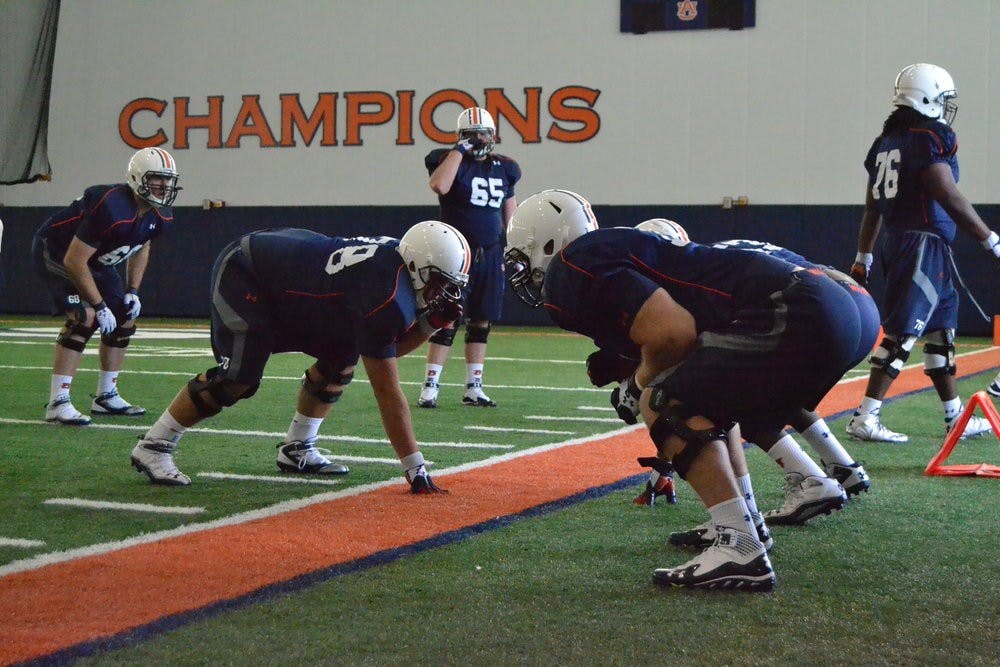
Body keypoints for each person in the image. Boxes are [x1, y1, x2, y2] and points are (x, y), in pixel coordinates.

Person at [505, 190, 871, 592]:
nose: (522, 271)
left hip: (797, 307)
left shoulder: (572, 267)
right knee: (708, 399)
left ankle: (741, 545)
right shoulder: (610, 250)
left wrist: (637, 384)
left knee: (662, 400)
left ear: (549, 243)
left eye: (522, 257)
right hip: (827, 304)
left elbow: (673, 333)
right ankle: (744, 523)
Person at [130, 221, 469, 493]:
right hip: (250, 272)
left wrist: (428, 325)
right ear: (417, 266)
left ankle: (298, 449)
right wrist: (414, 465)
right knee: (238, 379)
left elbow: (381, 348)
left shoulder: (400, 270)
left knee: (343, 357)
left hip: (298, 288)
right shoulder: (386, 294)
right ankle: (155, 444)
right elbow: (387, 388)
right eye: (439, 283)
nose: (441, 293)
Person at [637, 221, 873, 500]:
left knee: (734, 392)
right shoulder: (721, 251)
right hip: (856, 305)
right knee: (777, 388)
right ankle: (842, 465)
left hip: (818, 313)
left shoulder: (697, 276)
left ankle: (808, 480)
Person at [845, 63, 999, 443]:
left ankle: (955, 419)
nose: (946, 106)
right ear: (927, 96)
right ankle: (865, 416)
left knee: (942, 334)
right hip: (921, 245)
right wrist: (990, 238)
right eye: (943, 98)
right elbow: (947, 193)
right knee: (903, 332)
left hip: (905, 242)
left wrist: (863, 256)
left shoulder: (887, 140)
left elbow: (871, 208)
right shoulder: (930, 135)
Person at [32, 147, 182, 425]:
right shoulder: (111, 205)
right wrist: (99, 306)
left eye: (168, 179)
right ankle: (58, 402)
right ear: (137, 178)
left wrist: (132, 291)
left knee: (126, 315)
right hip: (57, 251)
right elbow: (74, 260)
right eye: (157, 178)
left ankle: (106, 395)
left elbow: (141, 245)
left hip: (95, 262)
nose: (164, 186)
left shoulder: (160, 215)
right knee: (85, 316)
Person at [417, 107, 521, 408]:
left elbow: (510, 214)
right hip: (455, 254)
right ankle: (431, 384)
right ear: (460, 137)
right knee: (446, 319)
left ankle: (473, 386)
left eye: (484, 133)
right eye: (471, 134)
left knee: (481, 320)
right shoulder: (447, 160)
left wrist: (511, 249)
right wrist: (458, 151)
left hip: (489, 253)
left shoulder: (505, 167)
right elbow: (440, 185)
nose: (479, 139)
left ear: (493, 135)